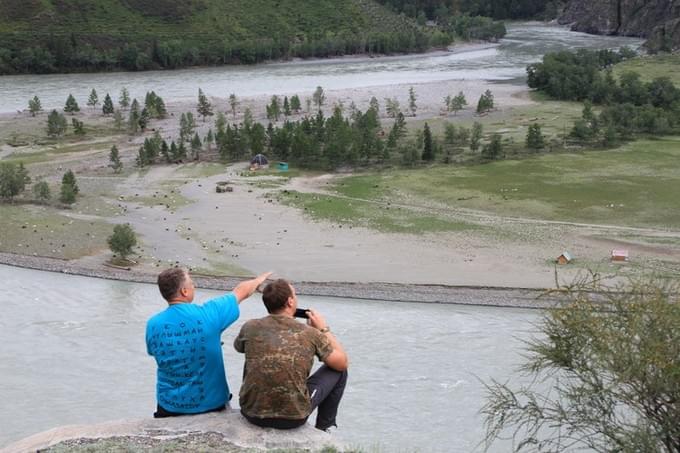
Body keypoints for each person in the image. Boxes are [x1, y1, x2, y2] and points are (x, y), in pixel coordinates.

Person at [146, 268, 271, 417]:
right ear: (185, 291)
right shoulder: (210, 314)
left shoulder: (153, 324)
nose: (194, 287)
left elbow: (156, 352)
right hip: (211, 406)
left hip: (169, 406)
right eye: (192, 284)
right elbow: (241, 291)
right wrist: (258, 280)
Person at [234, 278, 349, 431]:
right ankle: (324, 428)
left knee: (253, 355)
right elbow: (342, 363)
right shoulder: (310, 333)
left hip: (251, 414)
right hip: (293, 418)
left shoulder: (250, 327)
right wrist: (323, 329)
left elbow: (238, 347)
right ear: (289, 302)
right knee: (340, 372)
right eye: (294, 295)